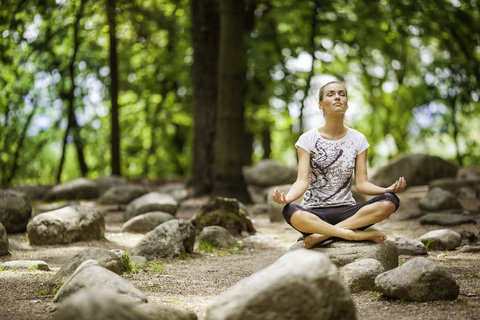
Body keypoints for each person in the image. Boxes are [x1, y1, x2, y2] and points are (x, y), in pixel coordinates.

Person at [272, 80, 406, 249]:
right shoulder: (307, 139)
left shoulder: (358, 139)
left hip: (347, 212)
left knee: (390, 201)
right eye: (331, 94)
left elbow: (362, 184)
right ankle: (349, 234)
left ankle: (323, 235)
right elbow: (301, 181)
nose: (337, 97)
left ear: (347, 104)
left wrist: (387, 190)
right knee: (289, 210)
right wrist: (288, 198)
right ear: (321, 105)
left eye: (342, 94)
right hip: (314, 214)